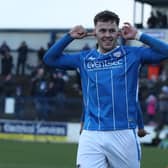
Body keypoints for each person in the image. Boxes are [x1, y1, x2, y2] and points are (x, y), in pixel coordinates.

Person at [44, 10, 168, 168]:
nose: (107, 35)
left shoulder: (133, 54)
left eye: (112, 30)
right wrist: (69, 36)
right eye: (102, 30)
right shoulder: (83, 59)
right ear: (94, 32)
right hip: (91, 134)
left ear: (118, 33)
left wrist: (138, 35)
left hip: (123, 134)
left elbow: (166, 51)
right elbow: (49, 59)